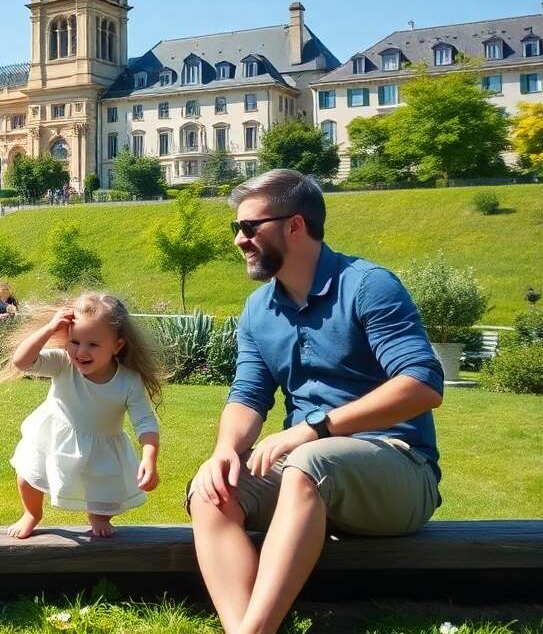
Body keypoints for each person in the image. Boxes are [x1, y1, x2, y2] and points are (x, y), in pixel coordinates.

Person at [188, 170, 443, 634]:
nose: (239, 241)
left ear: (295, 226)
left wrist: (313, 428)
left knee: (310, 460)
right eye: (236, 229)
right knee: (212, 490)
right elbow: (248, 394)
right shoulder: (258, 309)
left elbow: (422, 383)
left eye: (249, 227)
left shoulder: (367, 286)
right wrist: (225, 449)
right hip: (308, 476)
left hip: (401, 471)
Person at [0, 292, 161, 540]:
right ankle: (31, 513)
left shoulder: (128, 381)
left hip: (101, 445)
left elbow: (145, 422)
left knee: (103, 491)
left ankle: (98, 516)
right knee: (28, 475)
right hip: (51, 435)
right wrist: (50, 328)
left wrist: (149, 457)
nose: (81, 352)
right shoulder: (63, 363)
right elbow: (22, 361)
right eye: (75, 341)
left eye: (93, 344)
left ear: (117, 345)